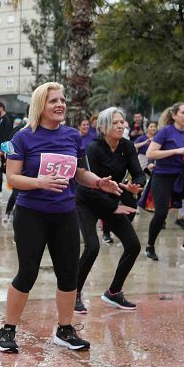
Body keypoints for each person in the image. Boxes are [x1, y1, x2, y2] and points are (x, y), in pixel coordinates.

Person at [0, 82, 123, 354]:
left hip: (65, 213)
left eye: (62, 100)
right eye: (53, 100)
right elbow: (12, 178)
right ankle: (8, 329)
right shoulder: (23, 137)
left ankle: (65, 329)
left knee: (69, 274)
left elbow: (79, 172)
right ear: (40, 105)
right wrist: (40, 182)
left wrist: (99, 182)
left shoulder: (72, 136)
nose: (60, 105)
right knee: (27, 273)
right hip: (31, 214)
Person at [74, 107, 146, 313]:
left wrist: (135, 186)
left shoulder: (127, 146)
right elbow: (89, 185)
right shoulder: (93, 148)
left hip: (112, 201)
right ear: (103, 127)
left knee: (133, 246)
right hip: (88, 200)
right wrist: (114, 207)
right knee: (92, 247)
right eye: (115, 122)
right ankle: (73, 293)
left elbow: (139, 175)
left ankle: (114, 292)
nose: (121, 125)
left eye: (122, 122)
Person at [144, 103, 184, 261]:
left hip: (181, 177)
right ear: (174, 115)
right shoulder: (165, 132)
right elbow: (150, 153)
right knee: (161, 213)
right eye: (183, 112)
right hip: (163, 176)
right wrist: (175, 151)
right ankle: (150, 246)